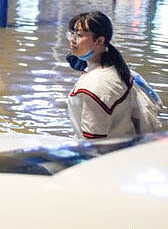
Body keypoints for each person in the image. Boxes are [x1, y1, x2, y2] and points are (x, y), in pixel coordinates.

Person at [64, 11, 161, 139]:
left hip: (109, 155)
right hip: (127, 146)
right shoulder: (120, 69)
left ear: (100, 40)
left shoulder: (95, 86)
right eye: (72, 33)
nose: (72, 39)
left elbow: (94, 144)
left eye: (80, 34)